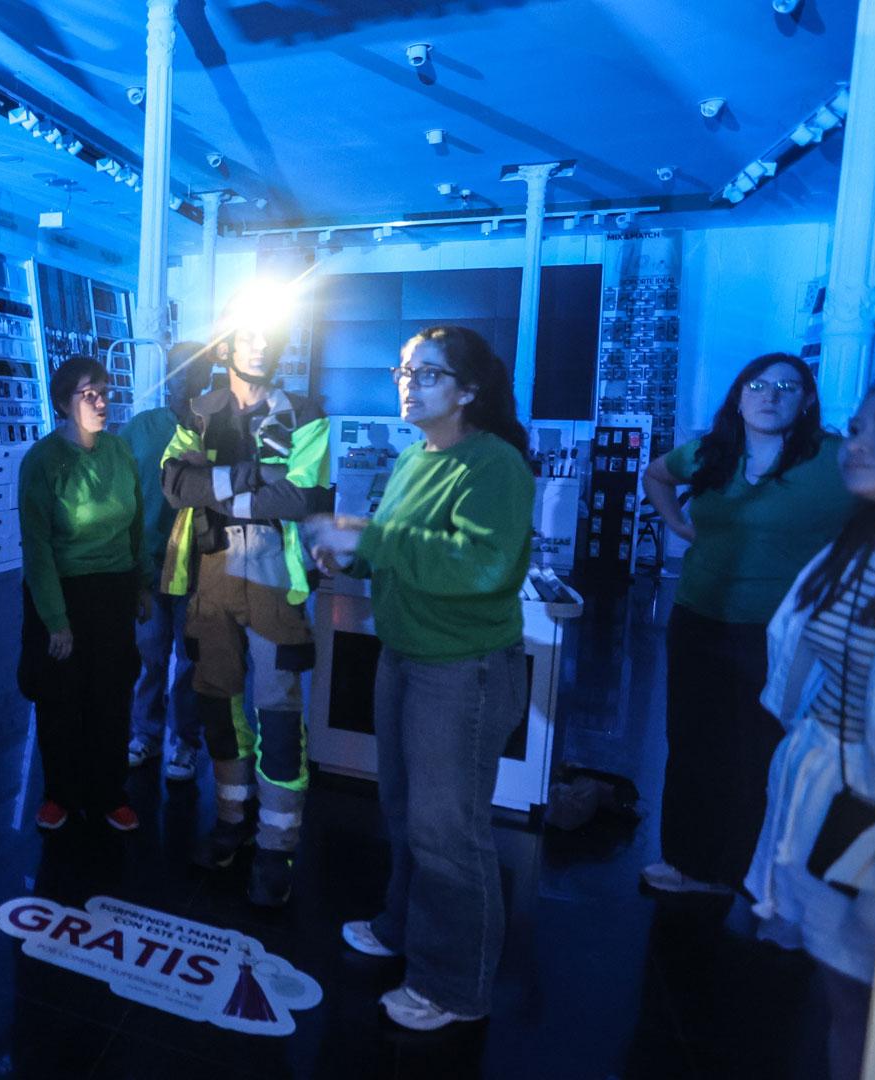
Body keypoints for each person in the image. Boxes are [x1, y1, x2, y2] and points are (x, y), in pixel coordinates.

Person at [316, 325, 535, 1032]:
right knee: (406, 813)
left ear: (470, 390)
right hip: (406, 655)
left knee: (451, 833)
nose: (409, 383)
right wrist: (350, 555)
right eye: (404, 370)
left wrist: (371, 540)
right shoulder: (415, 459)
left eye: (429, 374)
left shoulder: (494, 465)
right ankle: (402, 927)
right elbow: (397, 544)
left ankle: (455, 987)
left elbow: (482, 566)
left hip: (462, 671)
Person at [744, 364, 875, 1080]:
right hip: (830, 788)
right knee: (846, 998)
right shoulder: (857, 547)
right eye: (857, 426)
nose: (858, 442)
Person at [640, 352, 853, 895]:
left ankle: (743, 873)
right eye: (758, 384)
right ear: (739, 395)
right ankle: (688, 862)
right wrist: (679, 527)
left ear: (806, 400)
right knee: (690, 741)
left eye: (787, 386)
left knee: (757, 750)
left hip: (780, 631)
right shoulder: (711, 453)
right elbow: (656, 474)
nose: (770, 394)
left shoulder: (833, 460)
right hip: (697, 614)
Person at [160, 298, 334, 907]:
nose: (259, 345)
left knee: (279, 716)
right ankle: (232, 822)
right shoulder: (198, 411)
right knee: (215, 706)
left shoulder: (306, 414)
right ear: (229, 343)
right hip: (210, 580)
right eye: (248, 334)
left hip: (273, 584)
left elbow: (302, 498)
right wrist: (248, 479)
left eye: (270, 334)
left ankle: (276, 845)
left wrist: (216, 490)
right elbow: (173, 484)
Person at [17, 357, 148, 831]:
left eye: (104, 390)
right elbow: (37, 545)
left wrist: (141, 584)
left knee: (112, 695)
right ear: (61, 402)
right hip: (63, 591)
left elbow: (135, 525)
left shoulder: (119, 452)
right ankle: (60, 793)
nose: (101, 400)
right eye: (88, 393)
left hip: (113, 590)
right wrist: (55, 619)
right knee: (60, 698)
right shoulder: (42, 462)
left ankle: (109, 791)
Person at [122, 342, 209, 783]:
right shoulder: (140, 429)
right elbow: (116, 491)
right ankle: (146, 733)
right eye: (178, 370)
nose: (185, 379)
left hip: (200, 569)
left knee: (192, 659)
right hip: (148, 565)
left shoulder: (220, 429)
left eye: (196, 370)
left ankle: (185, 742)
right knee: (149, 655)